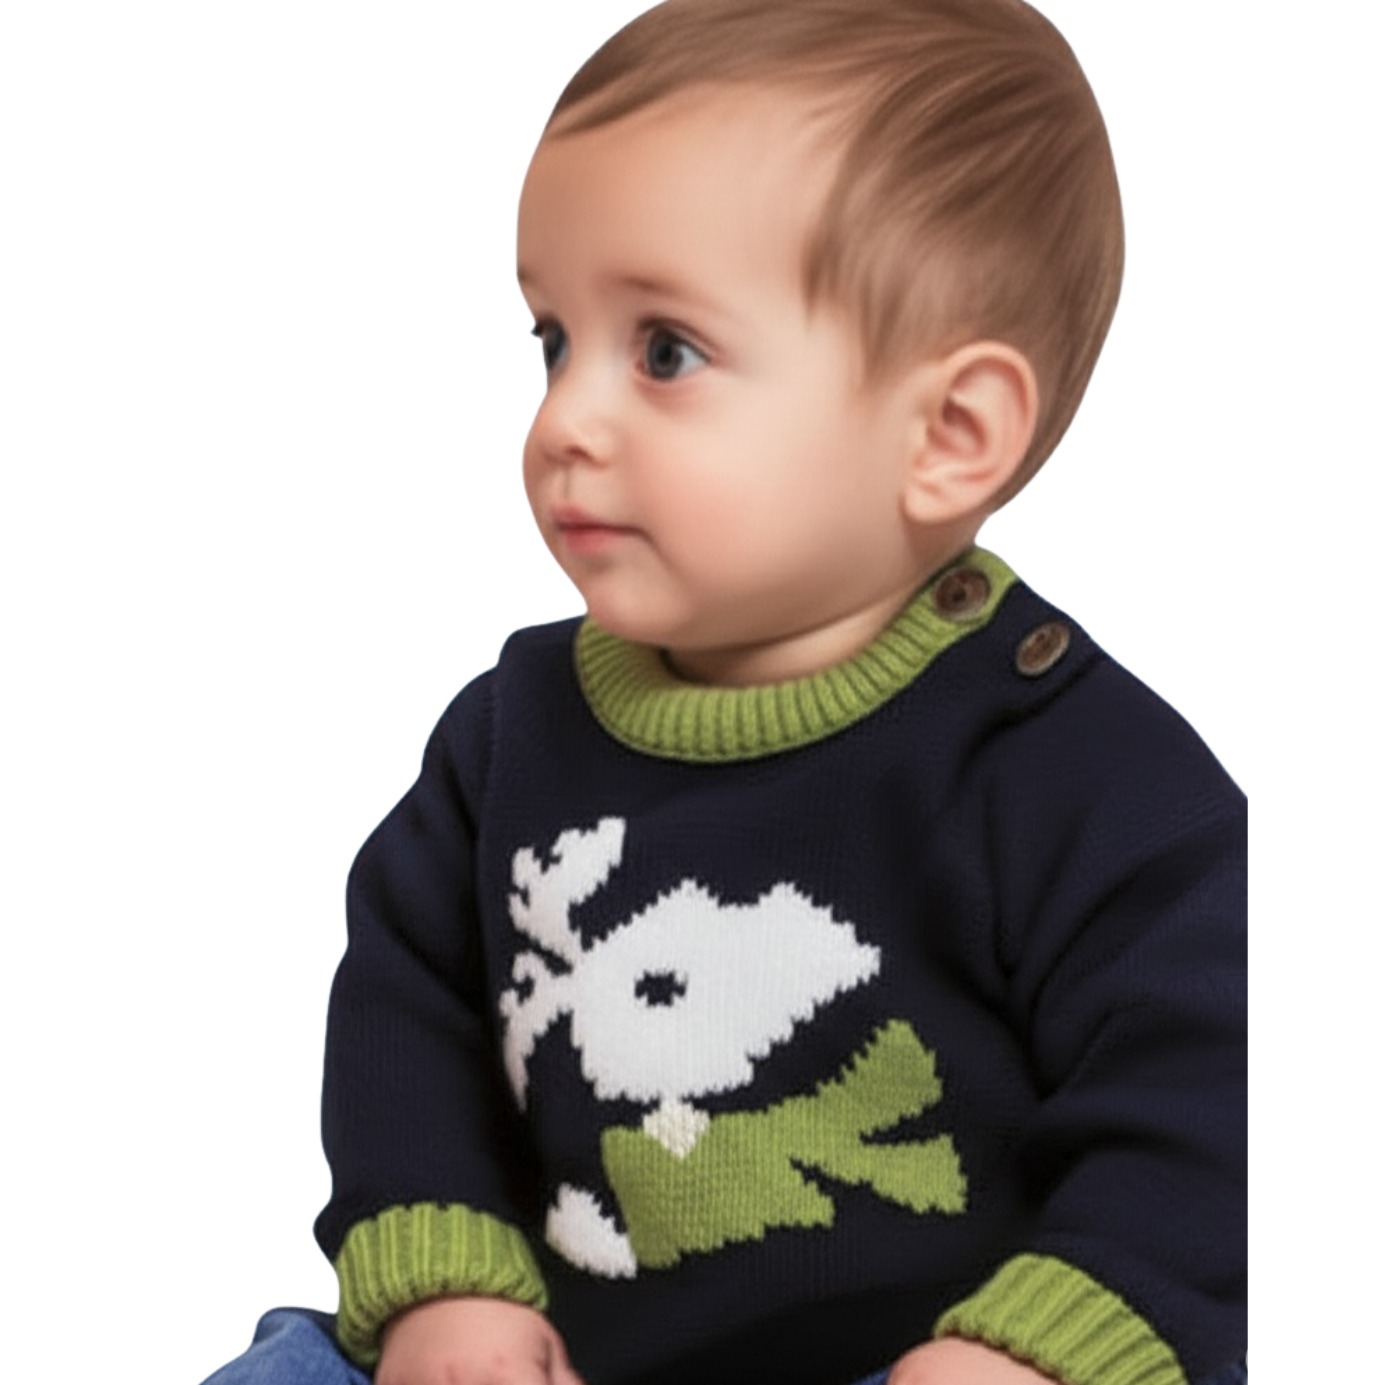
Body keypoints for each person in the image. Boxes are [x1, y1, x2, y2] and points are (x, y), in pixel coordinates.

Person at [203, 1, 1246, 1382]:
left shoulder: (1090, 777)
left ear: (947, 433)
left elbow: (1214, 1108)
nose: (564, 420)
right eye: (552, 340)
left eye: (665, 353)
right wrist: (442, 1284)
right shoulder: (508, 737)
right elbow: (409, 1031)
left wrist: (1047, 1349)